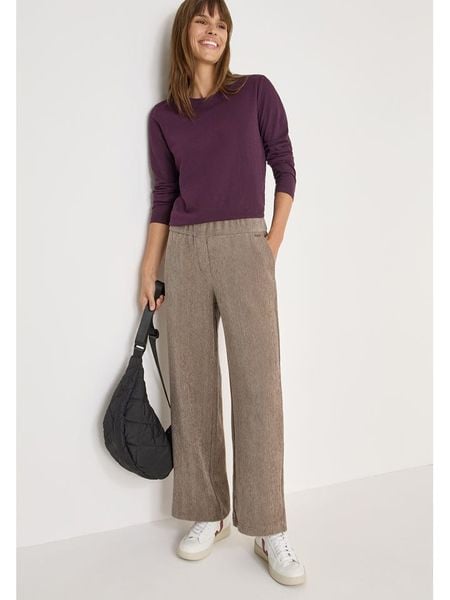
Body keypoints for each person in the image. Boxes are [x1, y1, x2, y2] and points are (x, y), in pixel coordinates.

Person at [139, 0, 305, 587]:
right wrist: (149, 269)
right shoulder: (164, 117)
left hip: (245, 245)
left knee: (259, 384)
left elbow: (286, 169)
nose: (212, 31)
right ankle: (208, 513)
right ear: (184, 32)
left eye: (221, 23)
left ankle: (268, 525)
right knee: (192, 384)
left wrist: (268, 246)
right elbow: (164, 195)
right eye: (202, 21)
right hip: (183, 252)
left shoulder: (254, 92)